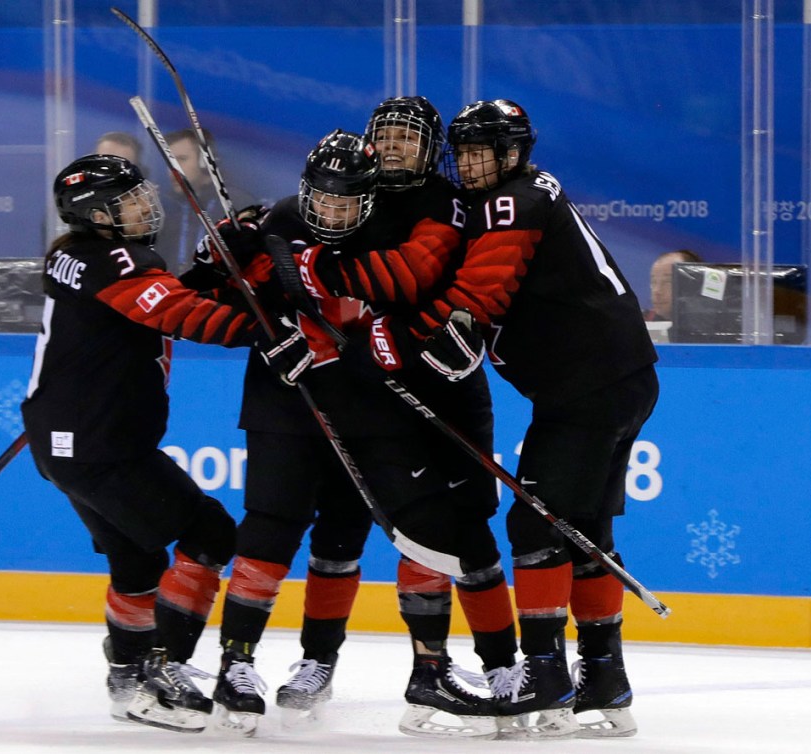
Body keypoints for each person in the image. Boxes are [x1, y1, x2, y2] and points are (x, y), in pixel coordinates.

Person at [202, 127, 512, 740]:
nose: (331, 212)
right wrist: (221, 256)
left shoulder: (393, 235)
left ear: (368, 199)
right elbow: (217, 293)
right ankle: (237, 665)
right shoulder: (279, 220)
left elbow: (411, 297)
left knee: (388, 535)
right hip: (285, 407)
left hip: (369, 410)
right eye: (322, 199)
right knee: (269, 529)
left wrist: (386, 352)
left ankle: (406, 668)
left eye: (345, 202)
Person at [362, 99, 659, 739]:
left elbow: (483, 290)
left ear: (515, 152)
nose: (470, 164)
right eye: (464, 152)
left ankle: (545, 676)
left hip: (588, 387)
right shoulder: (524, 192)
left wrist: (419, 336)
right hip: (615, 379)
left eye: (483, 152)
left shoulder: (511, 202)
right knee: (585, 530)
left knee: (535, 524)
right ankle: (605, 679)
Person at [20, 153, 307, 735]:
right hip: (99, 447)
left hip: (72, 440)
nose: (144, 206)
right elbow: (176, 311)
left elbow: (160, 296)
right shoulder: (110, 260)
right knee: (210, 532)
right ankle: (161, 671)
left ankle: (127, 676)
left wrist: (210, 264)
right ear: (96, 216)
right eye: (127, 202)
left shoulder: (79, 256)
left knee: (138, 559)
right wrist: (262, 331)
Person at [284, 97, 521, 736]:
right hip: (364, 393)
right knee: (343, 525)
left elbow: (414, 274)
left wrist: (321, 271)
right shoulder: (342, 196)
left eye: (407, 138)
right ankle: (318, 660)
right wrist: (256, 238)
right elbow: (280, 231)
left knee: (464, 529)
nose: (393, 146)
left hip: (447, 385)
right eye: (384, 135)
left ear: (431, 150)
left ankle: (497, 667)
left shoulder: (446, 202)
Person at [154, 128, 257, 274]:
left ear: (204, 161)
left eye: (181, 159)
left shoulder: (235, 203)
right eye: (169, 162)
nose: (173, 169)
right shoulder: (166, 207)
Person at [646, 248, 702, 321]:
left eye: (668, 282)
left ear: (693, 285)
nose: (657, 291)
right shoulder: (643, 322)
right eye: (654, 282)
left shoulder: (713, 324)